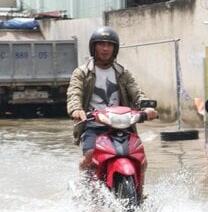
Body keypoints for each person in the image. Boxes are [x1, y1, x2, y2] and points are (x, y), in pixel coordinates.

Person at [67, 26, 158, 170]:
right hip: (94, 126)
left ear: (114, 49)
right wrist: (76, 109)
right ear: (94, 47)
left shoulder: (122, 73)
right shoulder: (82, 73)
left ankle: (140, 192)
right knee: (90, 155)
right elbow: (74, 93)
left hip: (122, 126)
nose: (105, 48)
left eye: (109, 45)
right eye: (101, 44)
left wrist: (147, 107)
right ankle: (83, 187)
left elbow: (136, 92)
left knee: (142, 160)